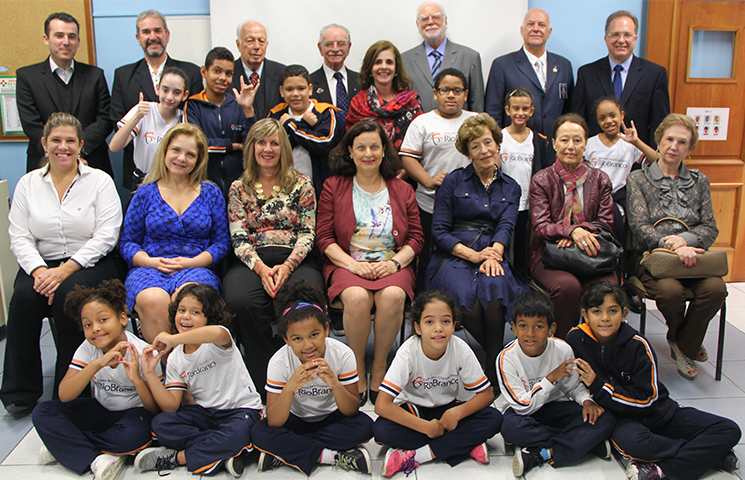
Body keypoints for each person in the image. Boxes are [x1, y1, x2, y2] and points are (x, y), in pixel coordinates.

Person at [0, 113, 124, 415]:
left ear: (80, 145)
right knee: (25, 299)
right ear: (44, 143)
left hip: (91, 261)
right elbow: (19, 235)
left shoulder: (99, 181)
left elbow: (107, 234)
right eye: (56, 140)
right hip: (41, 264)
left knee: (70, 294)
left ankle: (70, 391)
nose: (63, 147)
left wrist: (67, 268)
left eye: (70, 141)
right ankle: (20, 391)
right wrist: (41, 272)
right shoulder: (29, 183)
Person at [567, 281, 741, 480]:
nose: (605, 318)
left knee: (729, 429)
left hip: (657, 411)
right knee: (635, 444)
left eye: (612, 311)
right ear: (585, 314)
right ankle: (709, 454)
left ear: (624, 314)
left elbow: (647, 399)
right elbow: (573, 383)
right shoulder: (575, 338)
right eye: (597, 311)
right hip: (621, 418)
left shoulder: (638, 345)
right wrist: (590, 398)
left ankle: (663, 469)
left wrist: (599, 385)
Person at [316, 121, 424, 406]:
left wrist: (396, 264)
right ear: (350, 151)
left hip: (392, 264)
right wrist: (352, 265)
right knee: (356, 298)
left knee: (392, 296)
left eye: (375, 147)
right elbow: (324, 238)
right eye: (361, 147)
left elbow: (416, 238)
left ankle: (378, 369)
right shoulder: (333, 186)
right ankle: (355, 372)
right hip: (348, 264)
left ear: (384, 151)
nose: (368, 153)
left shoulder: (401, 189)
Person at [222, 119, 324, 401]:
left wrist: (288, 265)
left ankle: (306, 375)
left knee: (305, 300)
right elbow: (238, 234)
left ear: (284, 148)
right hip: (251, 261)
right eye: (261, 142)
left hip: (295, 259)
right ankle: (264, 375)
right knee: (240, 301)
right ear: (252, 147)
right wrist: (261, 268)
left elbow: (307, 232)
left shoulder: (302, 183)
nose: (268, 149)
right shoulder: (238, 187)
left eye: (274, 143)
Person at [427, 113, 527, 387]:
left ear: (497, 144)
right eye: (475, 146)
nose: (483, 151)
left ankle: (493, 368)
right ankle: (503, 357)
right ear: (467, 152)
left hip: (492, 251)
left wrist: (493, 254)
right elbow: (439, 232)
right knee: (467, 304)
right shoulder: (453, 181)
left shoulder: (512, 186)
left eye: (487, 143)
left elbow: (506, 226)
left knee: (494, 295)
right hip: (455, 254)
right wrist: (473, 255)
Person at [626, 113, 725, 379]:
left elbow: (709, 226)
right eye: (669, 139)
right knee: (671, 292)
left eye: (682, 142)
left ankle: (682, 344)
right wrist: (671, 244)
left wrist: (686, 241)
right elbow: (640, 226)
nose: (674, 146)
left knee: (716, 288)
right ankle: (687, 344)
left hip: (694, 258)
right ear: (658, 141)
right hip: (654, 259)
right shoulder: (638, 179)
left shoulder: (700, 181)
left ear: (689, 149)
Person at [32, 280, 160, 480]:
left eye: (103, 320)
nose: (95, 329)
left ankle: (67, 447)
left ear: (122, 319)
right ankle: (97, 457)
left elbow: (154, 408)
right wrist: (97, 364)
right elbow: (65, 395)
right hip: (101, 410)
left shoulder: (143, 351)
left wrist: (136, 379)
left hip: (134, 414)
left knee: (133, 438)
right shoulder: (87, 348)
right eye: (87, 325)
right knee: (43, 412)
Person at [119, 123, 230, 343]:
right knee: (153, 299)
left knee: (189, 300)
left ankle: (189, 368)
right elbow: (127, 242)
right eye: (176, 150)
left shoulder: (211, 192)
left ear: (198, 160)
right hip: (150, 267)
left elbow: (221, 243)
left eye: (190, 154)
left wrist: (194, 262)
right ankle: (167, 367)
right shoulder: (145, 192)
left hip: (196, 267)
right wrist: (151, 262)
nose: (181, 158)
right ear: (165, 151)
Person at [136, 284, 262, 477]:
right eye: (182, 310)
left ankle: (179, 458)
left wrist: (174, 339)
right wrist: (150, 373)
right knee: (161, 424)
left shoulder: (218, 339)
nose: (186, 316)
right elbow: (170, 405)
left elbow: (218, 333)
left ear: (208, 318)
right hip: (205, 415)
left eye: (195, 312)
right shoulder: (176, 357)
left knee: (240, 431)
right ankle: (223, 453)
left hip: (241, 410)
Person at [251, 280, 374, 475]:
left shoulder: (343, 354)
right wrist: (290, 387)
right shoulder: (278, 362)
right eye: (297, 339)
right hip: (295, 420)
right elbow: (274, 420)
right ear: (286, 340)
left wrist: (334, 384)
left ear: (326, 329)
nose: (308, 345)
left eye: (314, 334)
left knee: (366, 426)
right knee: (259, 432)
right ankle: (331, 456)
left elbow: (351, 410)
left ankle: (286, 452)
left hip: (331, 418)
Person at [373, 290, 502, 477]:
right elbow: (381, 405)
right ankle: (464, 445)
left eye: (446, 321)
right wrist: (426, 427)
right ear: (417, 327)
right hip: (415, 411)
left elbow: (487, 394)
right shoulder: (408, 352)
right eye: (429, 322)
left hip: (448, 412)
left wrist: (456, 413)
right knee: (381, 430)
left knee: (494, 418)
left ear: (454, 326)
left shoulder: (460, 348)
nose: (438, 328)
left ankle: (417, 455)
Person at [496, 290, 615, 477]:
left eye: (539, 327)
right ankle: (583, 442)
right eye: (523, 326)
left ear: (551, 329)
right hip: (525, 412)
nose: (530, 333)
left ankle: (541, 453)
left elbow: (574, 387)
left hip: (557, 407)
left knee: (604, 419)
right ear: (514, 328)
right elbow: (521, 406)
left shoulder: (563, 349)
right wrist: (550, 379)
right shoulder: (506, 358)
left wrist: (586, 401)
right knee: (511, 429)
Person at [529, 113, 617, 339]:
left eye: (577, 140)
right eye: (565, 140)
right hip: (551, 254)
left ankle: (597, 347)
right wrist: (571, 230)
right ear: (554, 142)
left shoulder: (601, 179)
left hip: (592, 252)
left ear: (586, 144)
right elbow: (540, 226)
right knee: (569, 288)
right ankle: (561, 345)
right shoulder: (542, 179)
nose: (571, 146)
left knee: (606, 288)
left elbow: (606, 224)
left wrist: (582, 233)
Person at [399, 68, 477, 291]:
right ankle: (423, 304)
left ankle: (458, 305)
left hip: (468, 205)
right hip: (429, 203)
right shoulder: (422, 122)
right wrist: (428, 180)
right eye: (445, 90)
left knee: (461, 256)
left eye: (457, 90)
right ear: (435, 93)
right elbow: (407, 157)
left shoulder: (476, 120)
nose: (450, 95)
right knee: (426, 256)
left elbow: (491, 155)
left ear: (465, 94)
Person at [110, 9, 203, 189]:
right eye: (146, 32)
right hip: (141, 175)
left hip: (181, 176)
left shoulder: (191, 73)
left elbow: (197, 121)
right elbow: (116, 122)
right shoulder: (123, 75)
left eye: (157, 31)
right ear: (138, 38)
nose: (152, 36)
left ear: (167, 35)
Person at [16, 12, 113, 173]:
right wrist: (60, 152)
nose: (66, 42)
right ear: (46, 39)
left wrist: (77, 151)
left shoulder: (95, 75)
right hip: (44, 163)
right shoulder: (27, 77)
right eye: (59, 36)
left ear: (78, 41)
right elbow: (31, 123)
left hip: (91, 161)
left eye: (72, 37)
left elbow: (104, 119)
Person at [573, 10, 670, 147]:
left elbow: (660, 124)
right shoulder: (587, 73)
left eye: (627, 35)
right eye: (615, 34)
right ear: (606, 38)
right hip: (595, 158)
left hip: (637, 159)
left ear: (635, 38)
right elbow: (578, 121)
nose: (621, 40)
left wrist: (653, 160)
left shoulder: (654, 74)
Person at [484, 9, 573, 137]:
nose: (536, 29)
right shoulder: (502, 65)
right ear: (522, 30)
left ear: (549, 32)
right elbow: (493, 112)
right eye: (530, 24)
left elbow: (568, 110)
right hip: (515, 149)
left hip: (555, 148)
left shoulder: (564, 65)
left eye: (542, 25)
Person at [184, 47, 258, 196]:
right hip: (201, 186)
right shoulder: (193, 104)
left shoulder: (238, 104)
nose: (223, 78)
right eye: (217, 71)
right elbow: (197, 145)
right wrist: (233, 146)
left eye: (228, 73)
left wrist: (248, 109)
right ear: (204, 72)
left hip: (238, 188)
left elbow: (251, 144)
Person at [584, 96, 658, 240]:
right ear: (597, 121)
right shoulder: (589, 144)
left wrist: (637, 142)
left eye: (613, 115)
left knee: (616, 241)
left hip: (619, 204)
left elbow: (658, 162)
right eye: (602, 118)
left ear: (622, 115)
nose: (609, 121)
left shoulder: (629, 145)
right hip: (593, 203)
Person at [499, 87, 554, 279]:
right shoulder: (499, 138)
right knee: (503, 243)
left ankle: (522, 280)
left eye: (525, 109)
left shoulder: (539, 141)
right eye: (515, 108)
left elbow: (546, 173)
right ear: (507, 110)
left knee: (523, 245)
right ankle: (503, 279)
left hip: (528, 204)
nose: (520, 113)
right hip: (503, 203)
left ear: (532, 111)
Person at [109, 67, 190, 190]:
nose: (169, 97)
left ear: (184, 95)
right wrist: (137, 117)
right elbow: (114, 147)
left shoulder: (184, 118)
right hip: (143, 183)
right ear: (157, 89)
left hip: (173, 185)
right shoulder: (144, 110)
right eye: (165, 90)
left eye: (176, 92)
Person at [268, 64, 344, 193]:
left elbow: (324, 143)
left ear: (310, 89)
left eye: (301, 88)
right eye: (289, 89)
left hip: (319, 189)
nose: (295, 94)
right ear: (281, 91)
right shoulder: (276, 114)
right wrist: (304, 125)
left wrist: (291, 125)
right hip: (282, 189)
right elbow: (272, 148)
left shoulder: (325, 112)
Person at [401, 2, 484, 113]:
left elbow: (477, 104)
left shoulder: (470, 57)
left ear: (445, 21)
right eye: (424, 19)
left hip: (460, 128)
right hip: (418, 127)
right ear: (417, 25)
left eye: (436, 17)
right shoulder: (404, 60)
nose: (430, 22)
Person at [346, 41, 423, 152]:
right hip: (367, 164)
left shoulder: (411, 102)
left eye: (389, 62)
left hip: (406, 166)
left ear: (396, 68)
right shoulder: (359, 103)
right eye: (377, 62)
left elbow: (419, 140)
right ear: (370, 68)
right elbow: (352, 142)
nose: (384, 67)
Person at [231, 20, 285, 120]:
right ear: (238, 45)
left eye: (261, 41)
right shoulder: (228, 74)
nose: (257, 46)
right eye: (250, 41)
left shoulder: (282, 73)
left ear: (266, 44)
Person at [309, 23, 361, 120]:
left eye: (341, 44)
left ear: (349, 48)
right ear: (320, 48)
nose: (335, 49)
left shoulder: (362, 81)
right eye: (329, 44)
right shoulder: (309, 83)